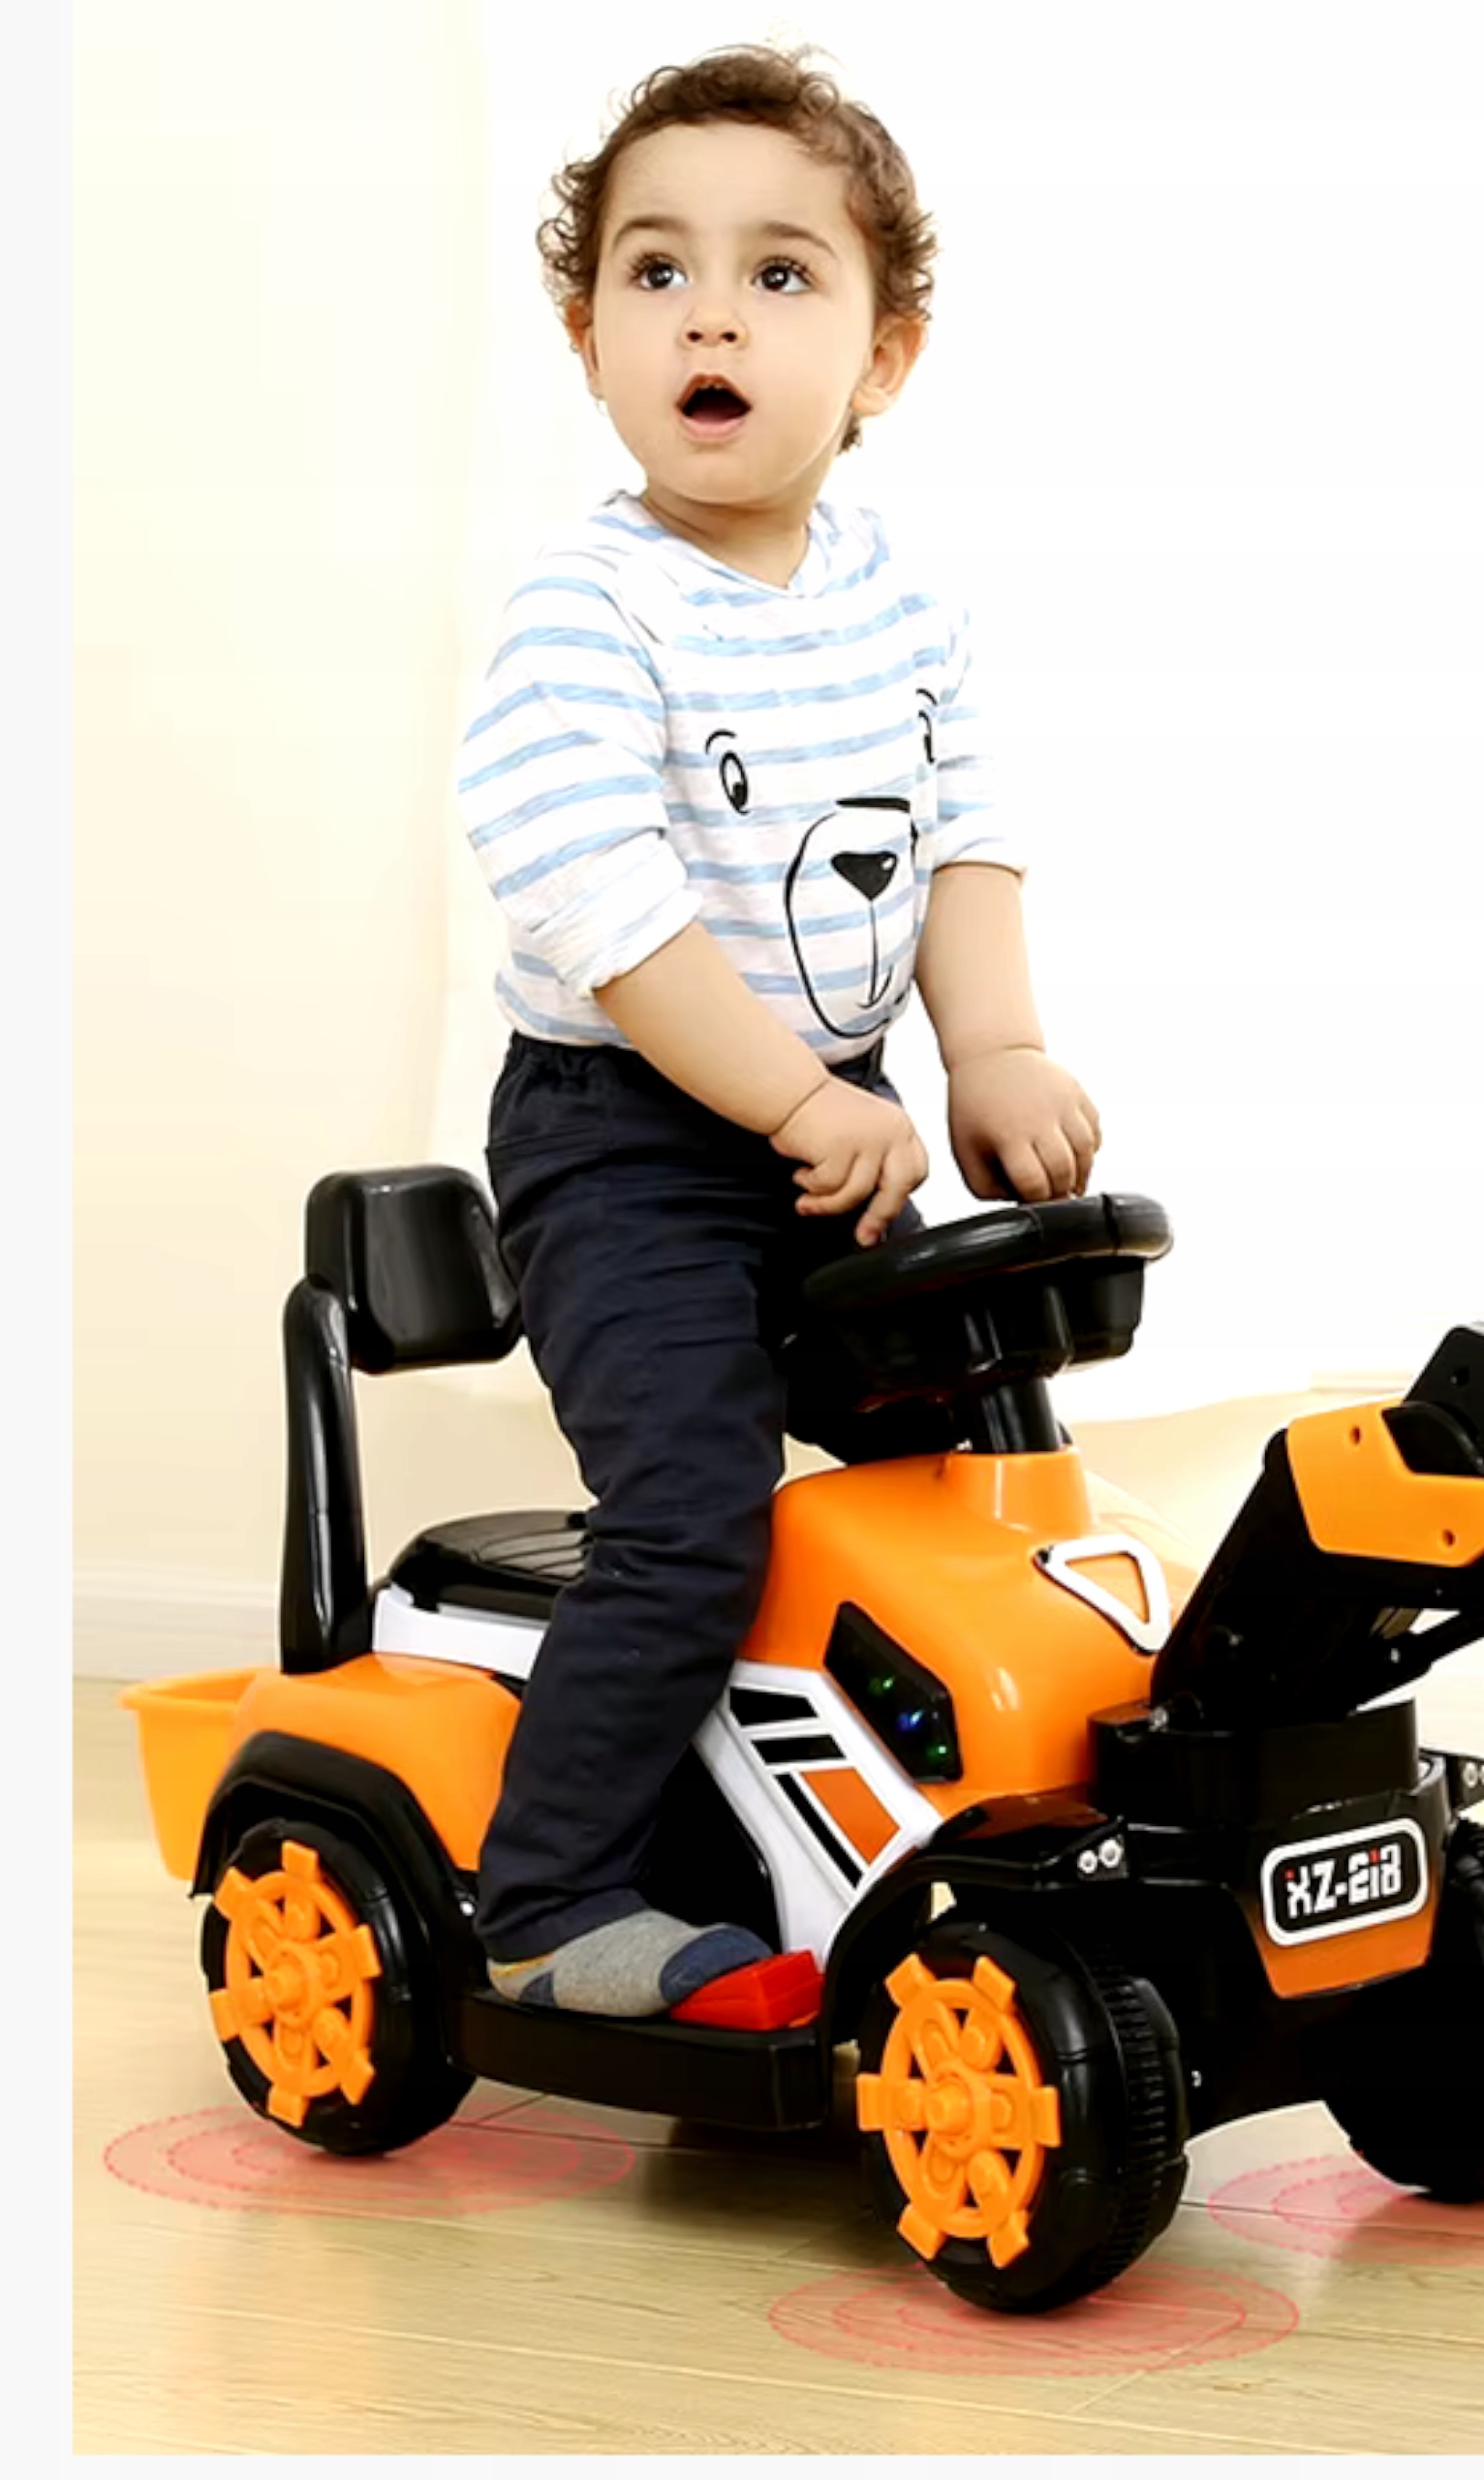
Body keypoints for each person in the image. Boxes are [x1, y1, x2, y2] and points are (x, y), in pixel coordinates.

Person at [453, 46, 1099, 2024]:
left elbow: (963, 839)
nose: (709, 316)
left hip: (842, 1127)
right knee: (690, 1514)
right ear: (589, 340)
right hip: (627, 1145)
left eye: (778, 274)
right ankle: (552, 1898)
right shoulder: (584, 612)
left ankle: (919, 1834)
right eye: (655, 273)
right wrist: (795, 1096)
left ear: (884, 357)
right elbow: (610, 914)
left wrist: (990, 1052)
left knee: (968, 1466)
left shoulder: (903, 604)